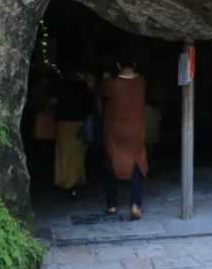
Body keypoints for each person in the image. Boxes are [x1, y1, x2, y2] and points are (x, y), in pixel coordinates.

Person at [100, 49, 148, 220]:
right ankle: (135, 205)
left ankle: (111, 204)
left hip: (115, 132)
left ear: (118, 65)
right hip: (136, 131)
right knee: (136, 164)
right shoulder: (141, 82)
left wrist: (106, 78)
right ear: (135, 65)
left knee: (111, 162)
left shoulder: (111, 85)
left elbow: (100, 91)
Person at [54, 69, 95, 199]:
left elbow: (54, 102)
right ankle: (76, 180)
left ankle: (64, 181)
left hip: (64, 124)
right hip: (80, 124)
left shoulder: (62, 87)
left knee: (64, 154)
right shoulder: (86, 90)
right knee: (78, 154)